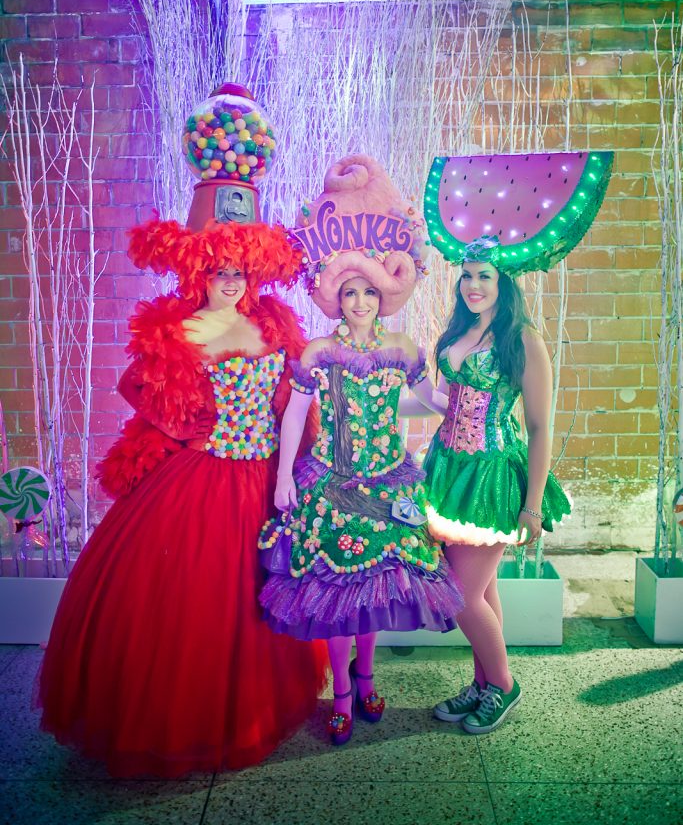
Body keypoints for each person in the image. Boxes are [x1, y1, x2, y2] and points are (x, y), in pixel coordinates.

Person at [36, 215, 328, 777]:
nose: (231, 282)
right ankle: (192, 720)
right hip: (207, 477)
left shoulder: (270, 325)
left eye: (240, 272)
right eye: (220, 272)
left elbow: (291, 397)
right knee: (201, 594)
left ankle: (253, 708)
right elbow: (138, 385)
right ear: (200, 273)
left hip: (267, 478)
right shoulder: (185, 330)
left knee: (259, 592)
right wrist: (190, 428)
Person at [258, 155, 463, 746]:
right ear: (336, 298)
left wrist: (470, 404)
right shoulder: (318, 353)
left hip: (388, 479)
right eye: (349, 293)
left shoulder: (402, 348)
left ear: (381, 294)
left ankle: (367, 677)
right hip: (332, 483)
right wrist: (283, 478)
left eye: (368, 292)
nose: (359, 302)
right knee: (339, 595)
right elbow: (296, 412)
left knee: (376, 590)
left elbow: (427, 400)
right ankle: (342, 695)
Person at [423, 239, 571, 734]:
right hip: (448, 468)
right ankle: (483, 684)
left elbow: (539, 427)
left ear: (504, 282)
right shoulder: (461, 329)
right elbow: (446, 402)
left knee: (460, 595)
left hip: (491, 477)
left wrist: (531, 506)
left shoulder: (523, 338)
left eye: (485, 276)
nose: (473, 285)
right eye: (467, 276)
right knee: (481, 589)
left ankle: (503, 686)